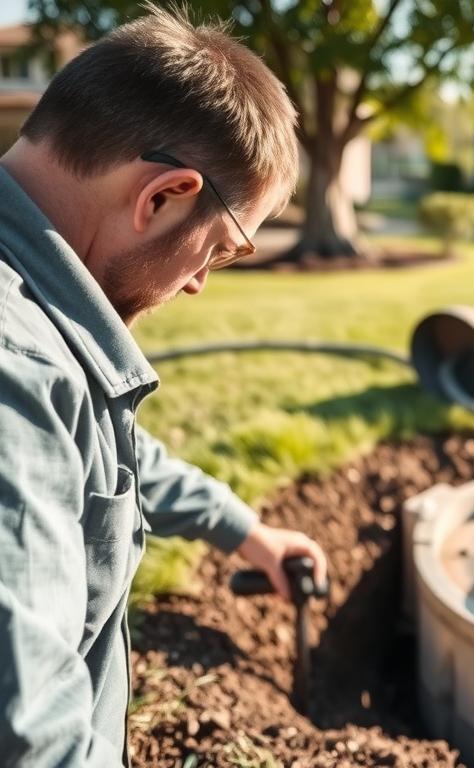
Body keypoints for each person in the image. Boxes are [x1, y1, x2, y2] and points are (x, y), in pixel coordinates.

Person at [0, 6, 327, 766]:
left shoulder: (42, 351)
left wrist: (249, 533)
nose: (199, 285)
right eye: (220, 250)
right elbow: (30, 738)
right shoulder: (17, 370)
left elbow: (108, 459)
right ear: (163, 197)